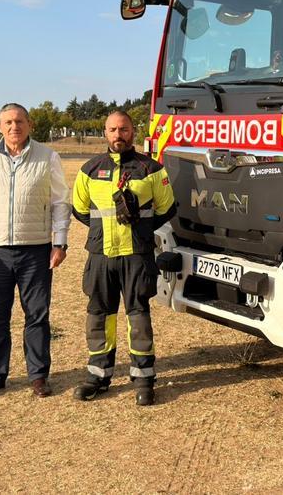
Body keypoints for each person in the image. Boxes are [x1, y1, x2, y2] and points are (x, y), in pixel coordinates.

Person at [71, 110, 175, 406]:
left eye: (124, 129)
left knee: (137, 315)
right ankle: (98, 376)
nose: (119, 135)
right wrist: (103, 232)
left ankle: (143, 378)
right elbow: (79, 210)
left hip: (137, 256)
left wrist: (141, 231)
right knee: (99, 316)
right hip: (101, 256)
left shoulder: (151, 169)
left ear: (133, 131)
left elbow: (167, 208)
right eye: (113, 129)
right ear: (106, 133)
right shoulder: (89, 169)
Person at [0, 103, 70, 399]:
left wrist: (59, 241)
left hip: (35, 250)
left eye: (20, 121)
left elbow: (60, 201)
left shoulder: (48, 156)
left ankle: (38, 375)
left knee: (37, 315)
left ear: (30, 124)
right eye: (9, 122)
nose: (15, 127)